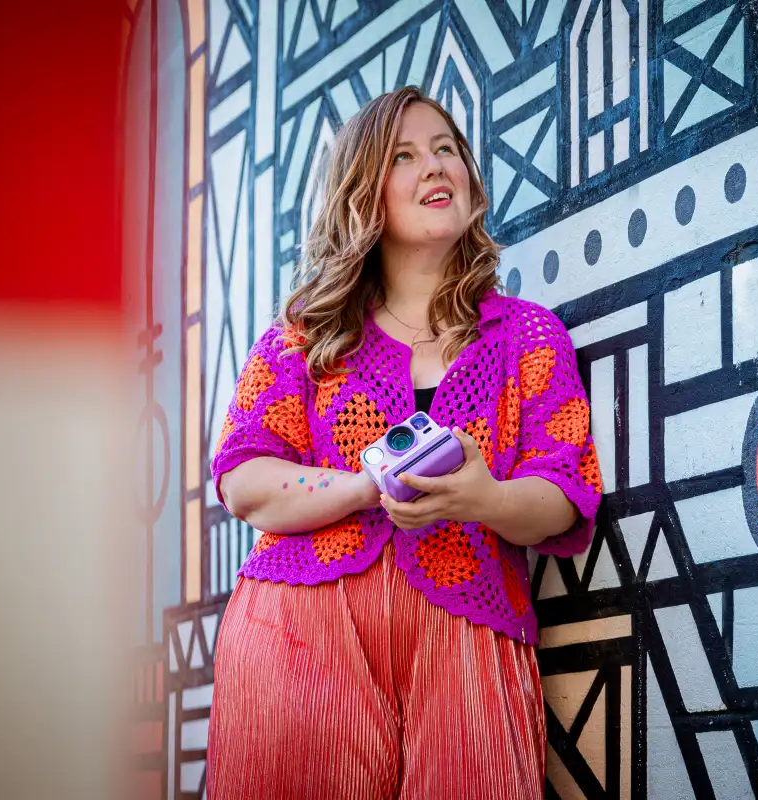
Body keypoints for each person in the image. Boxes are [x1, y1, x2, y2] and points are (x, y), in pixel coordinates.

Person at [206, 85, 602, 800]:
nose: (435, 166)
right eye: (405, 156)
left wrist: (483, 499)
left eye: (446, 149)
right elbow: (243, 480)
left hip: (470, 632)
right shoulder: (305, 335)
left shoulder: (528, 336)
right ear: (364, 191)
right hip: (301, 635)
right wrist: (366, 487)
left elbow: (565, 495)